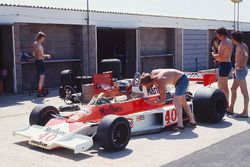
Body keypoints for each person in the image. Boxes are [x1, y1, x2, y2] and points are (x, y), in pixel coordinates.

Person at [228, 31, 249, 118]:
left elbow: (246, 56)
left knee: (244, 92)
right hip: (238, 70)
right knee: (233, 89)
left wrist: (240, 66)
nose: (231, 39)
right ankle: (231, 108)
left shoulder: (241, 47)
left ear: (234, 38)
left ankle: (245, 112)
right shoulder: (242, 45)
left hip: (240, 71)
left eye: (231, 37)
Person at [212, 28, 233, 111]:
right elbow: (225, 55)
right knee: (224, 86)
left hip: (224, 64)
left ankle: (223, 105)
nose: (216, 36)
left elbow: (221, 56)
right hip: (227, 64)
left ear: (222, 34)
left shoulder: (223, 42)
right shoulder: (229, 41)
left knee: (221, 86)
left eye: (217, 34)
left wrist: (214, 55)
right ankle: (226, 104)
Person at [32, 31, 51, 97]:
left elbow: (33, 54)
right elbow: (42, 55)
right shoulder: (39, 46)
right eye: (43, 38)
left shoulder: (34, 43)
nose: (44, 39)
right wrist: (47, 55)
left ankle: (42, 90)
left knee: (39, 77)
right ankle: (40, 92)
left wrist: (37, 56)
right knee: (42, 78)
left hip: (36, 61)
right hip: (41, 62)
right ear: (40, 38)